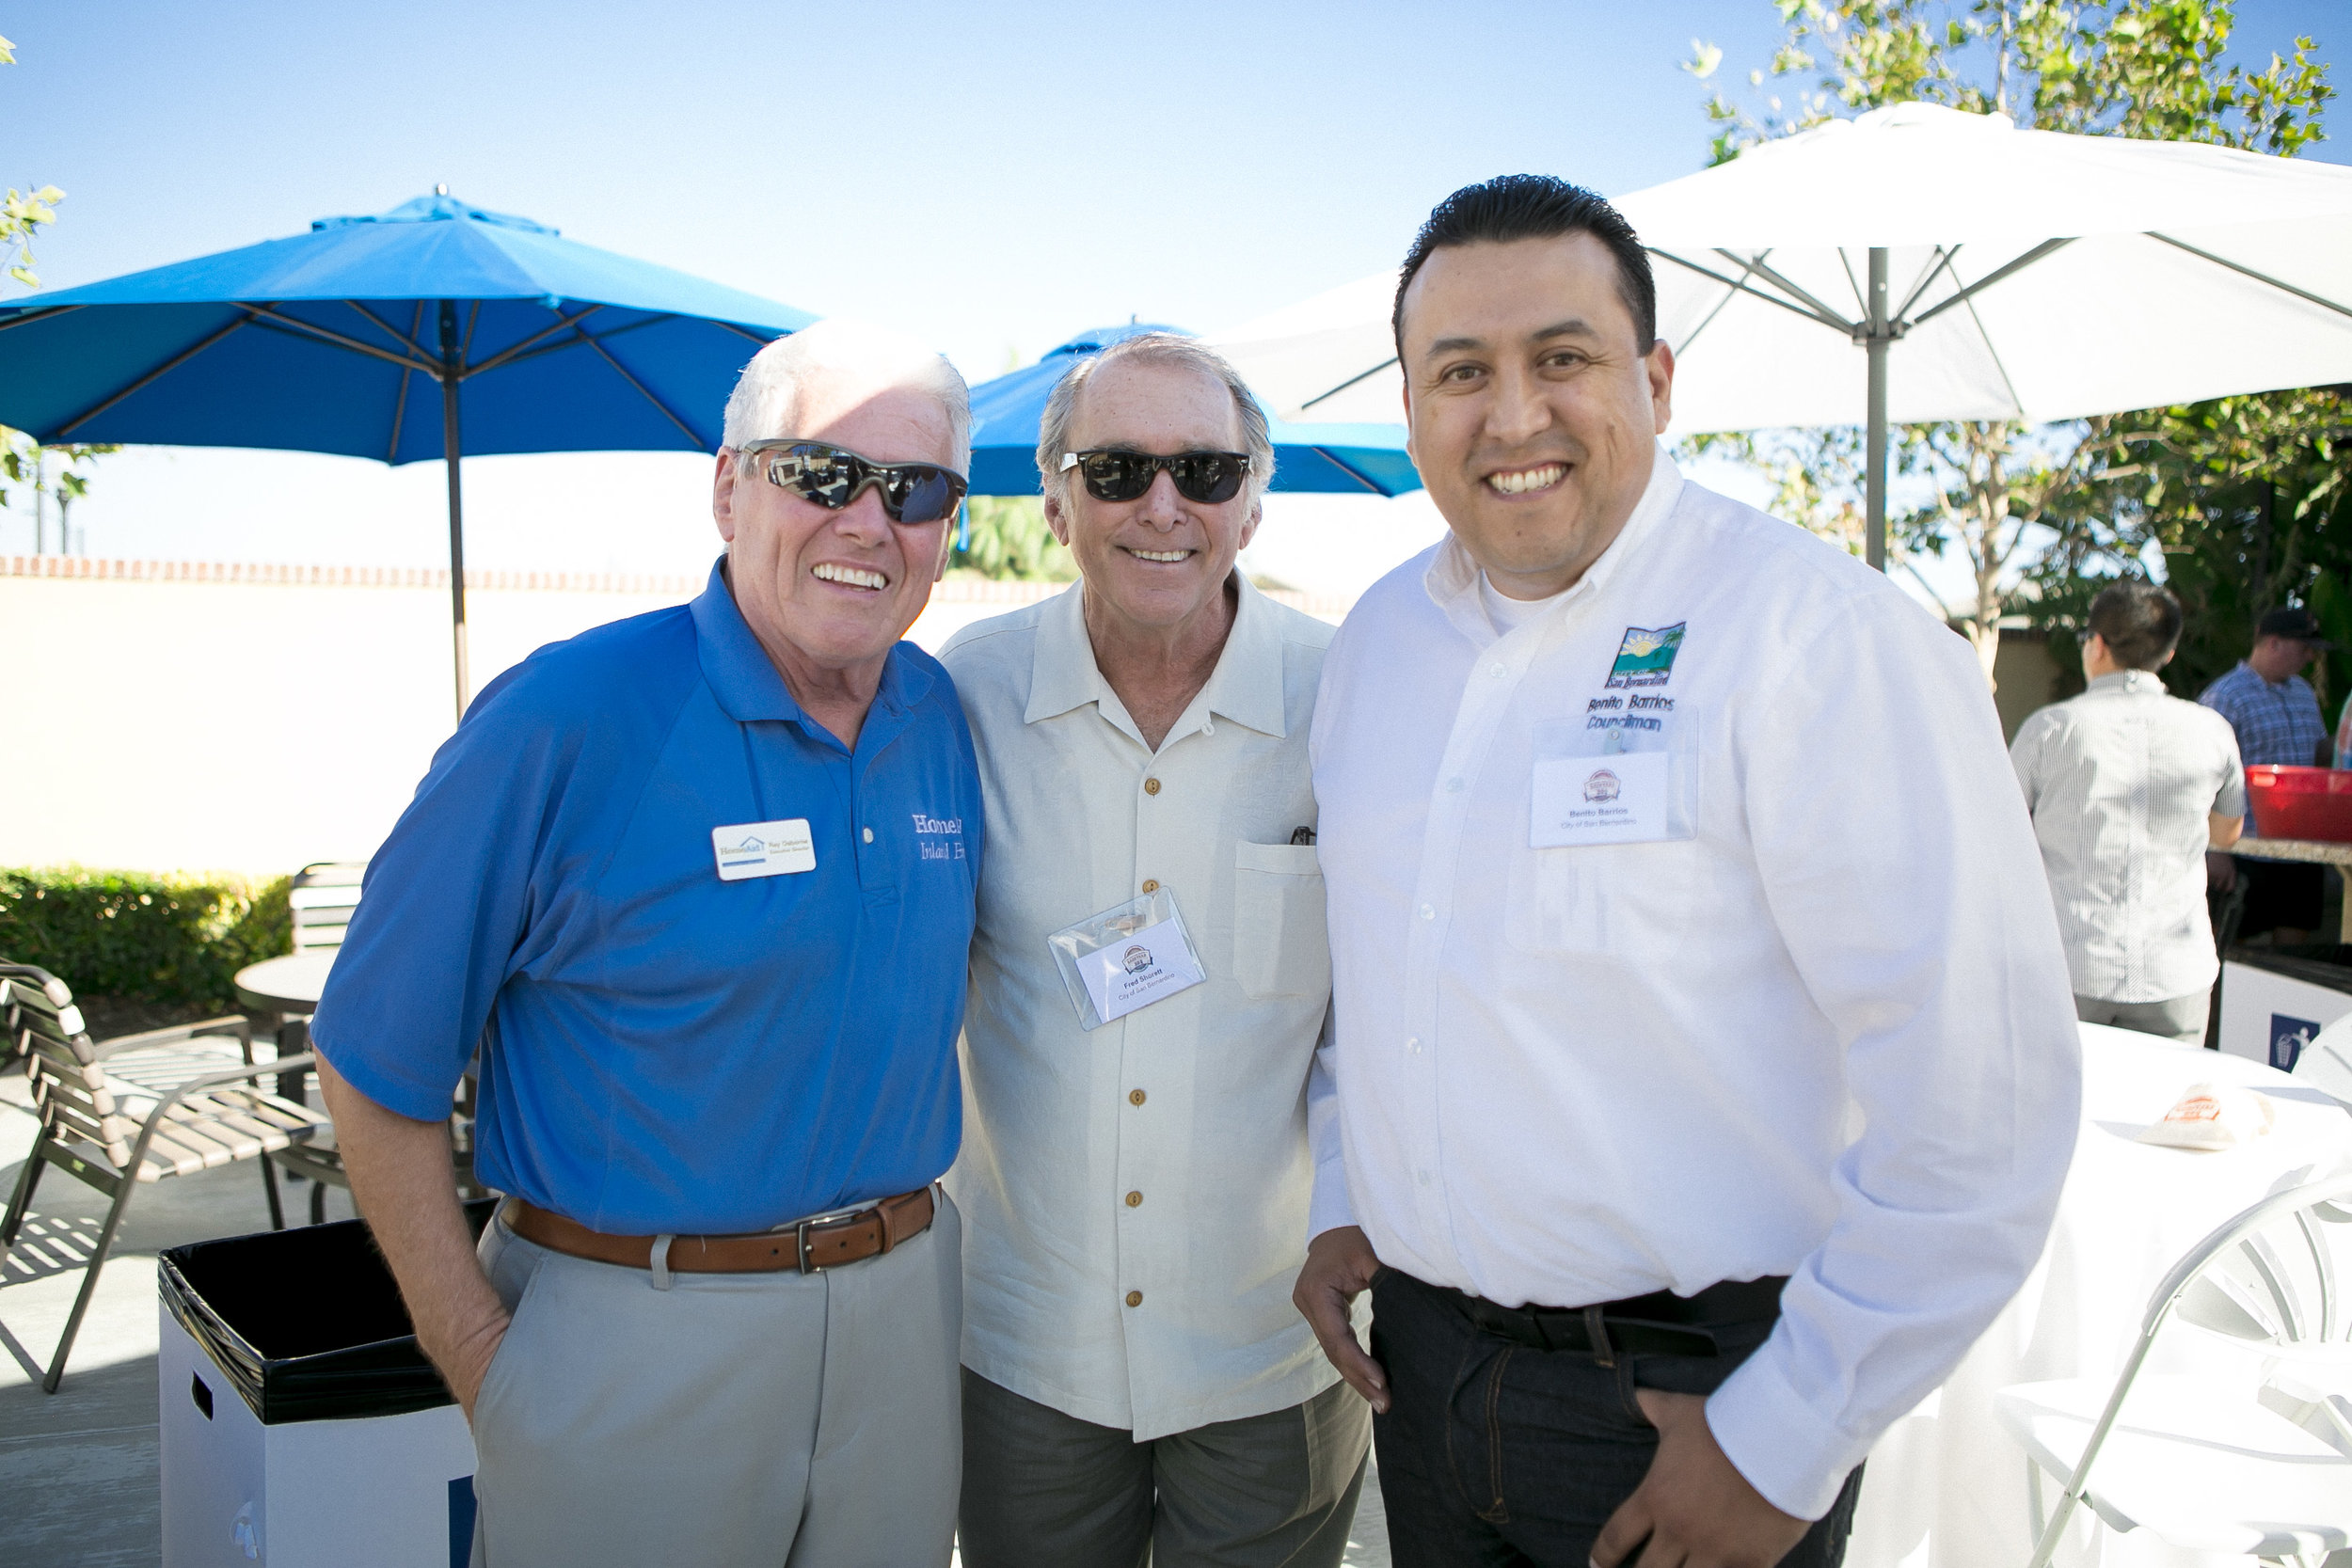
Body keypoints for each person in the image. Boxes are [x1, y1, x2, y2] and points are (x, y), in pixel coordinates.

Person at [1291, 175, 2080, 1568]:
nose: (1514, 414)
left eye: (1565, 358)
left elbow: (1982, 1107)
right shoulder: (1376, 647)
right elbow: (1392, 968)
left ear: (1656, 377)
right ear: (1409, 405)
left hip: (1685, 1409)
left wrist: (1789, 1437)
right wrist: (1350, 1184)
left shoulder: (1818, 638)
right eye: (1460, 372)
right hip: (1422, 1378)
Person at [310, 320, 984, 1568]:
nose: (866, 519)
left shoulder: (938, 713)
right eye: (820, 473)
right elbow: (369, 1058)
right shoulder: (565, 715)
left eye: (914, 488)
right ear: (730, 485)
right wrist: (479, 1354)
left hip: (903, 1322)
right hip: (632, 1338)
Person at [941, 332, 1368, 1568]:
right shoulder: (965, 693)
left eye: (1208, 471)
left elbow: (1386, 1010)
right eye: (1118, 468)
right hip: (1029, 1356)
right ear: (1057, 496)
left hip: (1272, 1343)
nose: (1164, 505)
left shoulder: (1345, 694)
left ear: (1254, 503)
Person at [2010, 581, 2246, 1045]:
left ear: (2096, 645)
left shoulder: (2050, 729)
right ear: (2169, 654)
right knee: (2167, 1112)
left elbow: (2001, 832)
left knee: (2068, 1113)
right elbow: (2227, 834)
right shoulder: (2212, 731)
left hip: (2070, 963)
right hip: (2175, 969)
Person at [2200, 606, 2335, 943]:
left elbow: (2318, 753)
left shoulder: (2303, 692)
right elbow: (2202, 773)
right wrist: (2215, 849)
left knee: (2293, 955)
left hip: (2301, 847)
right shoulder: (2226, 696)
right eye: (2303, 647)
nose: (2308, 656)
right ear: (2273, 643)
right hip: (2247, 848)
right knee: (2230, 952)